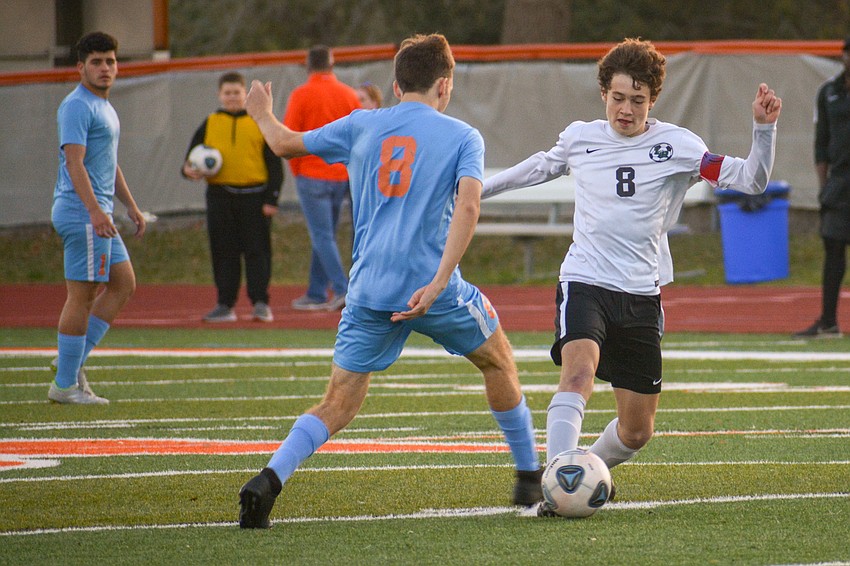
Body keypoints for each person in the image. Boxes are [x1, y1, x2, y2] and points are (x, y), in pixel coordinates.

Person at [238, 33, 542, 529]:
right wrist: (441, 282)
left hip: (367, 290)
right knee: (497, 358)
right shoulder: (464, 135)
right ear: (445, 86)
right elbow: (469, 205)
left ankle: (269, 480)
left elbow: (283, 143)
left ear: (397, 86)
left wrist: (260, 111)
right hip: (432, 286)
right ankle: (530, 474)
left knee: (338, 401)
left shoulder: (362, 124)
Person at [483, 38, 781, 516]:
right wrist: (476, 189)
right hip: (585, 280)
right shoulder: (581, 136)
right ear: (603, 93)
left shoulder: (678, 146)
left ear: (652, 101)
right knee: (578, 372)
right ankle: (557, 481)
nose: (626, 109)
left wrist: (762, 131)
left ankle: (582, 475)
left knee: (637, 431)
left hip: (642, 293)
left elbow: (750, 180)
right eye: (618, 97)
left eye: (637, 100)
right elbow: (539, 168)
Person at [49, 31, 147, 404]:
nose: (105, 68)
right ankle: (64, 385)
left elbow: (107, 164)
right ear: (80, 67)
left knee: (123, 283)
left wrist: (131, 206)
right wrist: (93, 210)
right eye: (96, 62)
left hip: (98, 213)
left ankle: (68, 364)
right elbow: (74, 162)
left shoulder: (105, 107)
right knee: (83, 295)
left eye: (110, 61)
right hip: (82, 213)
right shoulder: (77, 106)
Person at [182, 71, 284, 323]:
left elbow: (275, 163)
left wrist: (272, 199)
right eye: (227, 93)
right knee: (223, 251)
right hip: (220, 196)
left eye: (237, 93)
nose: (232, 97)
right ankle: (224, 304)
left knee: (257, 251)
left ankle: (260, 303)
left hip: (255, 197)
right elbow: (189, 160)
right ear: (220, 95)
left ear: (245, 94)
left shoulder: (259, 121)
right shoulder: (210, 122)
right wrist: (188, 170)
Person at [283, 45, 361, 311]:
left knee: (321, 235)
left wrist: (297, 170)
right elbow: (359, 134)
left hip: (311, 173)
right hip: (341, 174)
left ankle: (342, 289)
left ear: (308, 65)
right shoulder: (349, 94)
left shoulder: (301, 95)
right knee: (325, 233)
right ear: (332, 64)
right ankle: (317, 291)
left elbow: (289, 135)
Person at [794, 37, 850, 339]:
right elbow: (821, 144)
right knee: (833, 249)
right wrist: (824, 186)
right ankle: (828, 321)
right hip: (840, 184)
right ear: (844, 56)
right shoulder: (829, 92)